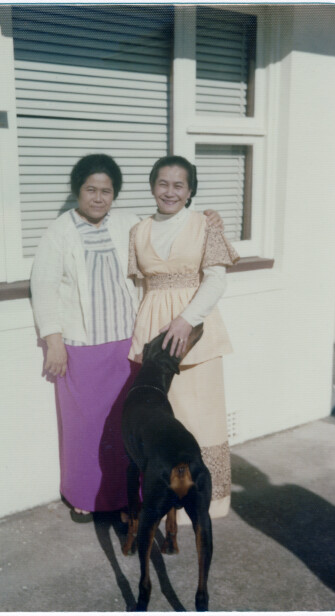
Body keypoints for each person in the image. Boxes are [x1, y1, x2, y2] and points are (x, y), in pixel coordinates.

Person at [30, 153, 223, 521]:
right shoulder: (59, 231)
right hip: (81, 347)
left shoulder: (128, 223)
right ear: (78, 191)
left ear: (115, 194)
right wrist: (53, 340)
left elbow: (170, 227)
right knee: (86, 427)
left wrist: (208, 217)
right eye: (91, 190)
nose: (98, 198)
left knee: (125, 425)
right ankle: (85, 497)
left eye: (106, 191)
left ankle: (125, 498)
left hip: (126, 343)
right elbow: (43, 287)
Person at [128, 155, 240, 520]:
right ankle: (172, 501)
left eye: (179, 185)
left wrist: (185, 320)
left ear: (190, 191)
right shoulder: (138, 230)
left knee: (201, 420)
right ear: (152, 186)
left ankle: (206, 503)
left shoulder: (205, 225)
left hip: (195, 334)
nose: (170, 192)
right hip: (155, 336)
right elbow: (138, 287)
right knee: (166, 423)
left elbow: (217, 280)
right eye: (163, 183)